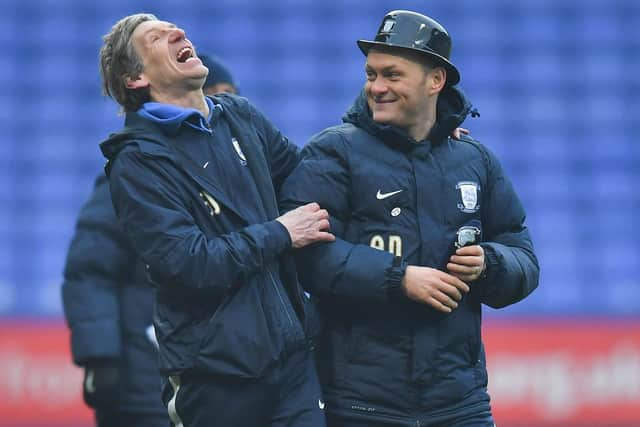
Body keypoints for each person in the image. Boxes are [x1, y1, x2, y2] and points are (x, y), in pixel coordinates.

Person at [279, 10, 540, 427]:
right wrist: (397, 278)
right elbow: (305, 257)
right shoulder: (332, 153)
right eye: (370, 75)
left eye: (392, 75)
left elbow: (522, 256)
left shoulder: (476, 161)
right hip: (359, 402)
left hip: (461, 403)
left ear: (435, 81)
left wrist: (490, 263)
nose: (376, 87)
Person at [97, 13, 333, 427]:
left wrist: (413, 137)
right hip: (214, 372)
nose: (178, 32)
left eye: (174, 27)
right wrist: (280, 233)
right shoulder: (137, 161)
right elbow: (190, 262)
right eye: (155, 37)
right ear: (135, 78)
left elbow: (308, 177)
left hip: (293, 361)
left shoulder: (239, 114)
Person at [61, 51, 241, 427]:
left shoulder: (236, 179)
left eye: (233, 94)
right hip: (144, 370)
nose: (228, 104)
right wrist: (101, 358)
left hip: (211, 370)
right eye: (218, 93)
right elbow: (90, 269)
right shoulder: (136, 172)